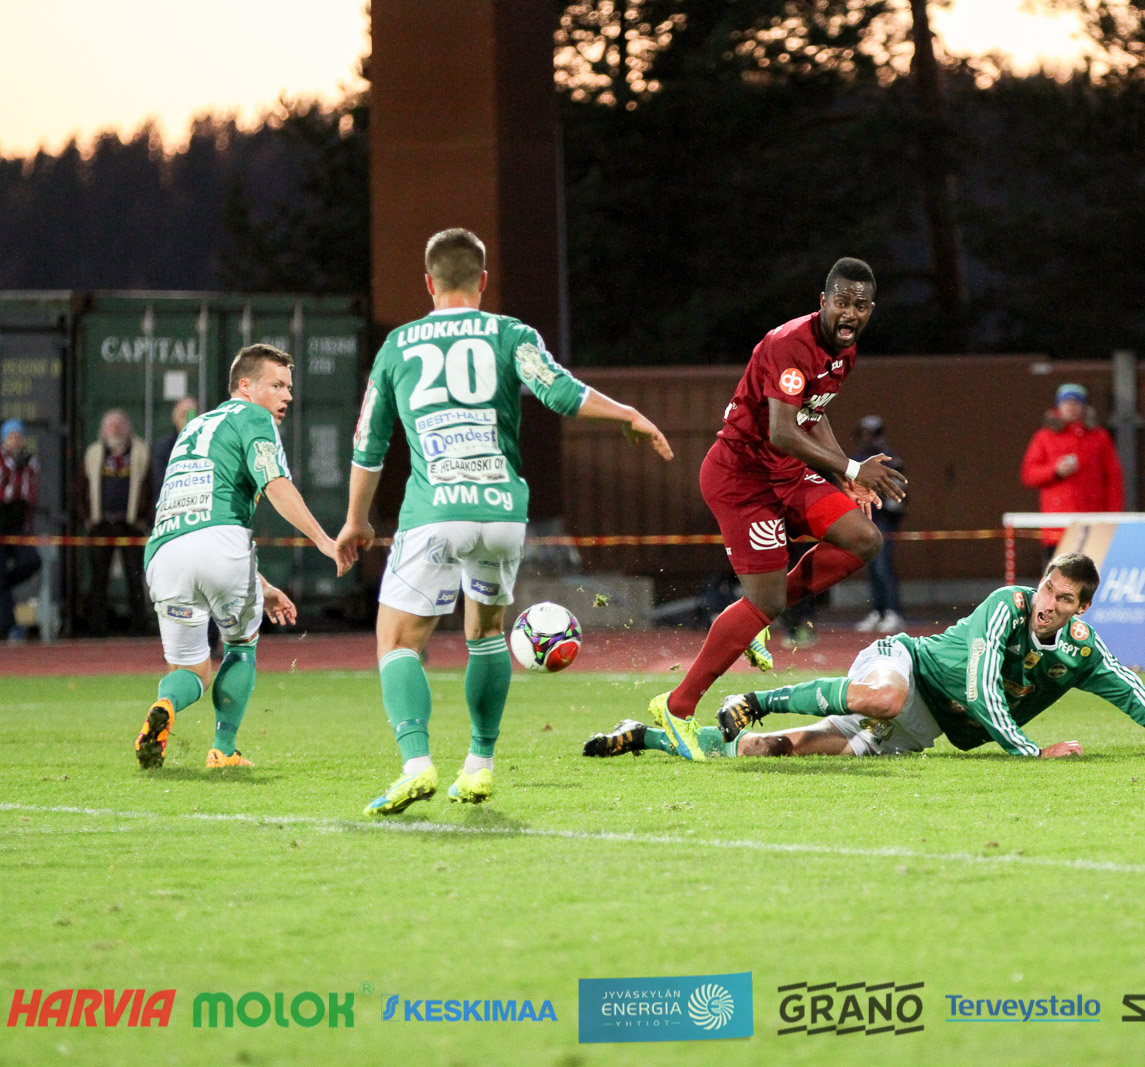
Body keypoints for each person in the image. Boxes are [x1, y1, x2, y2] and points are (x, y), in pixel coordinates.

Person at [338, 227, 674, 815]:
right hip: (500, 513)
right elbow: (560, 392)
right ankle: (479, 764)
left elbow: (369, 444)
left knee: (397, 640)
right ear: (483, 281)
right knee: (486, 634)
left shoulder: (398, 345)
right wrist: (627, 414)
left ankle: (416, 764)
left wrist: (355, 521)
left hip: (435, 511)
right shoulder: (510, 333)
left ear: (428, 283)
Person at [585, 554, 1145, 761]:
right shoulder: (1006, 604)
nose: (1047, 602)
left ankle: (646, 737)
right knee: (884, 696)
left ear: (1081, 609)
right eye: (1047, 587)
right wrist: (1030, 752)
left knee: (771, 751)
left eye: (1063, 598)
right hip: (905, 663)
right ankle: (755, 697)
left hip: (925, 726)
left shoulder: (1081, 651)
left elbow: (1134, 693)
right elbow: (982, 687)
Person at [646, 257, 908, 762]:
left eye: (860, 306)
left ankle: (753, 617)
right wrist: (853, 468)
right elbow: (782, 430)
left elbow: (813, 413)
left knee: (864, 538)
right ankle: (677, 707)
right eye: (841, 302)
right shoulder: (791, 344)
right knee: (763, 602)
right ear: (823, 302)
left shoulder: (845, 350)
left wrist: (842, 476)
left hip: (786, 473)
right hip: (743, 479)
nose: (850, 313)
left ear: (870, 310)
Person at [134, 344, 349, 770]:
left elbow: (199, 520)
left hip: (163, 553)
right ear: (245, 386)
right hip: (220, 545)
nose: (287, 396)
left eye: (289, 387)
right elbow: (275, 484)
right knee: (240, 645)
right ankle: (224, 749)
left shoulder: (194, 428)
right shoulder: (254, 417)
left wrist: (261, 586)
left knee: (191, 672)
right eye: (277, 385)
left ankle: (165, 704)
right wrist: (324, 540)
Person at [1019, 383, 1123, 554]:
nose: (1071, 407)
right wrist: (1055, 471)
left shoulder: (1099, 437)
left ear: (1084, 407)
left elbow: (1114, 478)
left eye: (1075, 403)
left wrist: (1112, 517)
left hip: (1093, 524)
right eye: (1066, 403)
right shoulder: (1044, 437)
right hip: (1057, 527)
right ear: (1058, 407)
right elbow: (1029, 475)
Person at [79, 409, 152, 635]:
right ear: (102, 430)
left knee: (135, 577)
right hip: (101, 524)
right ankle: (97, 628)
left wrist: (144, 519)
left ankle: (138, 627)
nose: (115, 430)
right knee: (99, 578)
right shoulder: (93, 453)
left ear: (128, 428)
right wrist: (87, 519)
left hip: (130, 525)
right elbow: (79, 489)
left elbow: (151, 487)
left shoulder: (141, 452)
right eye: (111, 426)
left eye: (119, 425)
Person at [851, 414, 906, 633]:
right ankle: (878, 611)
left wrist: (892, 512)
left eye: (871, 434)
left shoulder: (889, 459)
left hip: (883, 520)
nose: (867, 438)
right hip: (865, 520)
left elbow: (898, 491)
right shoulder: (857, 459)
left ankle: (893, 612)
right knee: (872, 569)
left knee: (883, 567)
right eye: (863, 433)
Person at [0, 419, 41, 640]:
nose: (15, 440)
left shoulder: (30, 462)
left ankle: (3, 585)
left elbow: (30, 495)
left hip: (17, 522)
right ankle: (8, 626)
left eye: (18, 436)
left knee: (30, 561)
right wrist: (15, 472)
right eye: (11, 436)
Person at [151, 396, 198, 492]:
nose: (189, 420)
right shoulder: (163, 448)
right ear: (175, 418)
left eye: (192, 415)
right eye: (184, 415)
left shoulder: (211, 445)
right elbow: (161, 482)